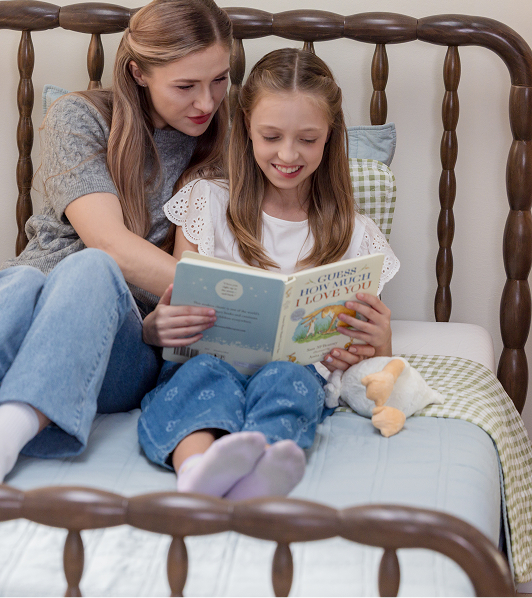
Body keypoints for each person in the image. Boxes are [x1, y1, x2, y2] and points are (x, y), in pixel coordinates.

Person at [0, 0, 232, 485]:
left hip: (117, 345)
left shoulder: (226, 144)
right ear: (139, 73)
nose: (207, 101)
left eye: (220, 79)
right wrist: (225, 291)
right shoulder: (80, 118)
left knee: (91, 271)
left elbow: (112, 262)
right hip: (20, 311)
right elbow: (109, 241)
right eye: (186, 86)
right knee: (19, 282)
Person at [137, 48, 400, 500]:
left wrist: (377, 343)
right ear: (246, 128)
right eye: (271, 135)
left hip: (295, 370)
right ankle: (196, 470)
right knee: (203, 380)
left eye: (308, 139)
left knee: (291, 383)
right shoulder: (207, 202)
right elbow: (180, 300)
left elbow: (363, 349)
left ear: (331, 137)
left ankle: (261, 470)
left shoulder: (358, 235)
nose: (288, 154)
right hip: (207, 362)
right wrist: (160, 326)